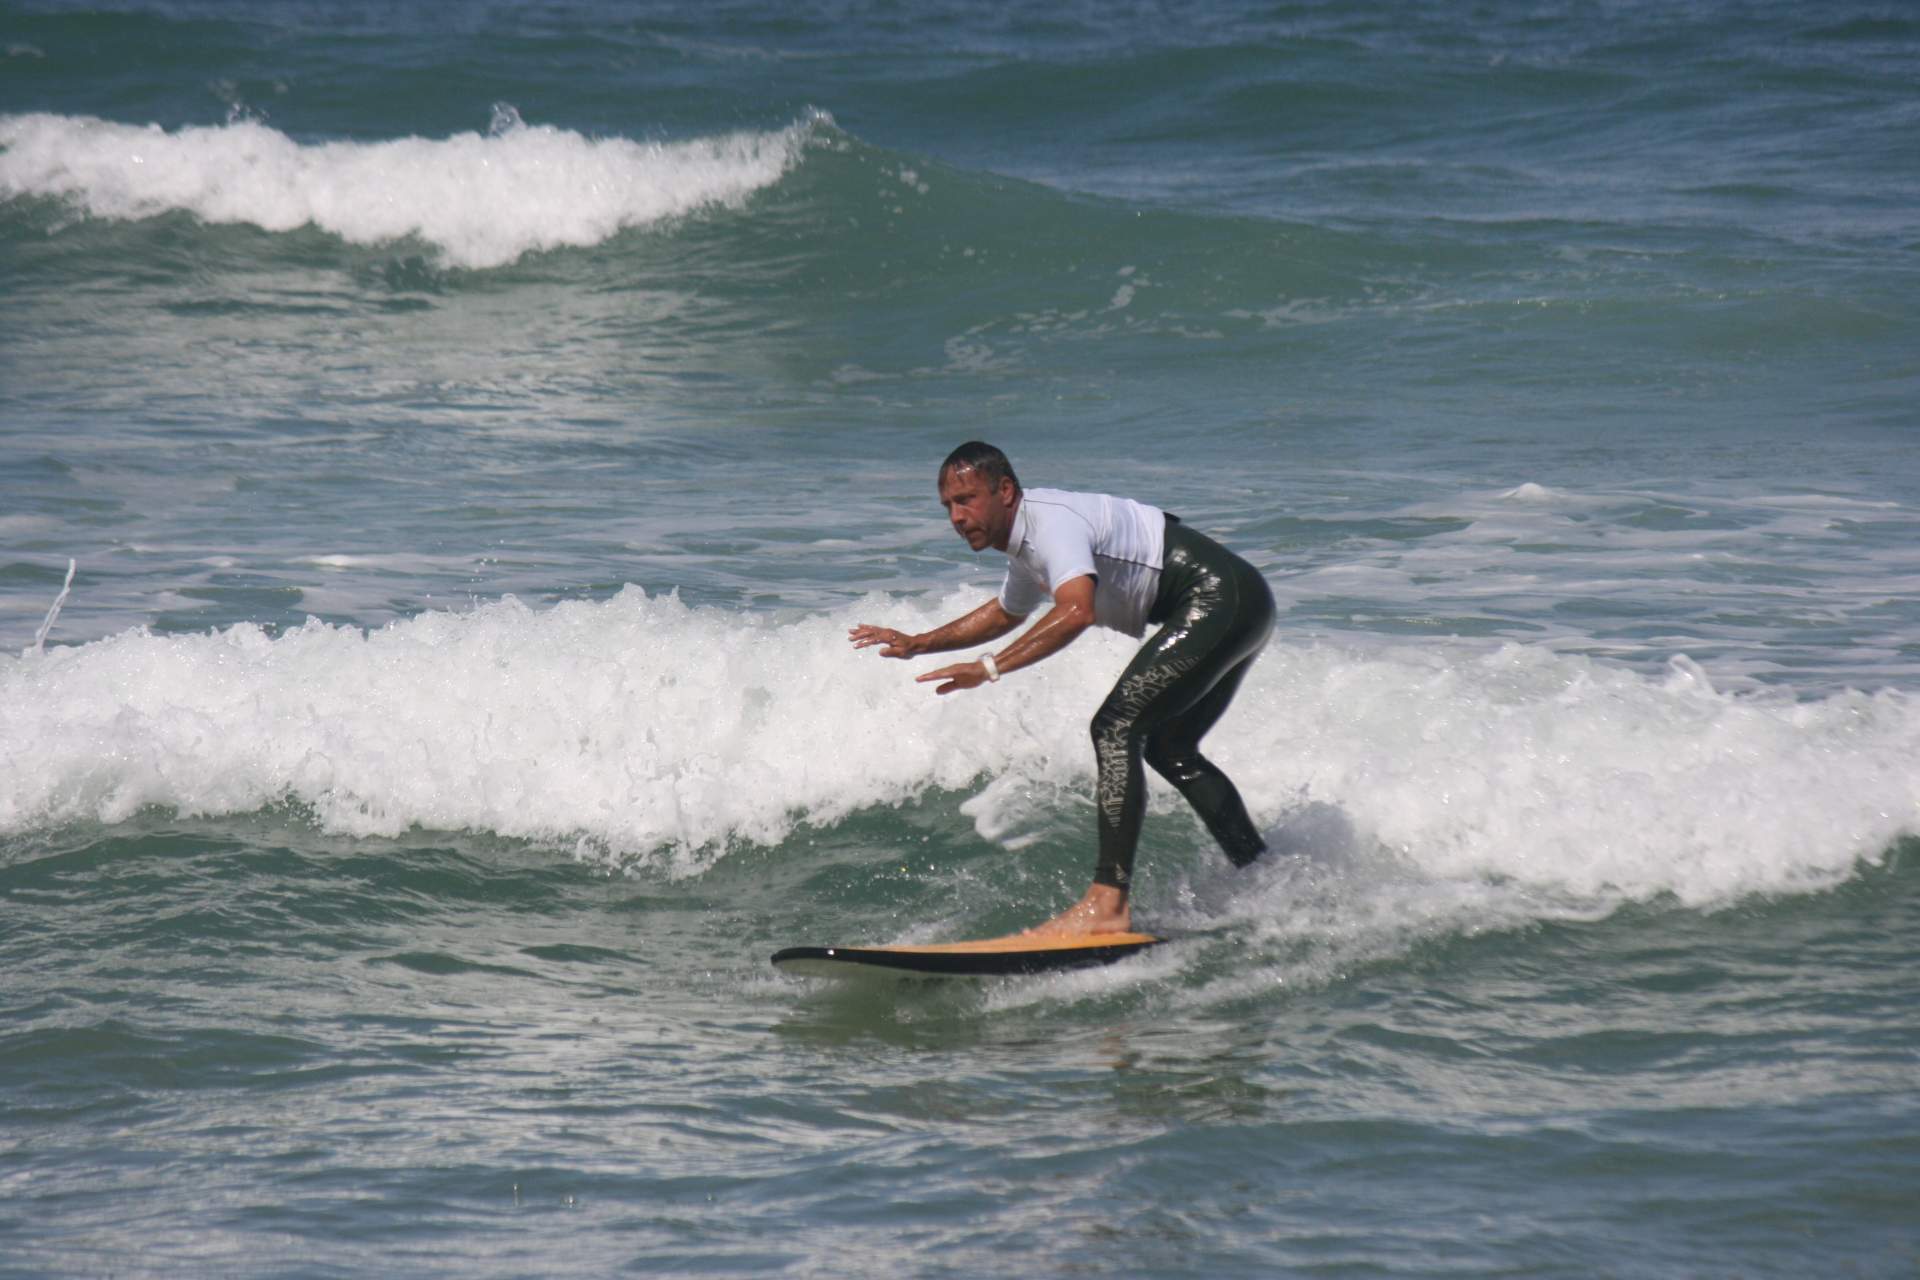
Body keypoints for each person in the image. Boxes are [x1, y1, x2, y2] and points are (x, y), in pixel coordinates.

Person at [849, 441, 1275, 939]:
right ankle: (1264, 876)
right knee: (1170, 748)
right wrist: (919, 643)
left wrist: (988, 668)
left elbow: (1076, 610)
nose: (957, 517)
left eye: (966, 499)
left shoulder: (1052, 524)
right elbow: (1006, 612)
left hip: (1218, 599)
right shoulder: (1027, 547)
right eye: (948, 506)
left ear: (1004, 491)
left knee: (1114, 728)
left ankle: (1107, 903)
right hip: (1240, 603)